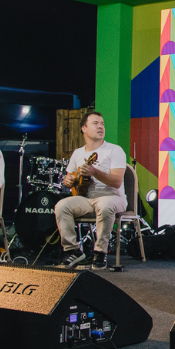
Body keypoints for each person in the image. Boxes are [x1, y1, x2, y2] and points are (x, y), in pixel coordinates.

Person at [54, 111, 128, 270]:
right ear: (84, 128)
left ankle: (100, 252)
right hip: (87, 199)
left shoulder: (114, 150)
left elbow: (117, 182)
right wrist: (69, 181)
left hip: (113, 196)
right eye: (95, 123)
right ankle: (72, 250)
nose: (101, 127)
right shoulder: (78, 153)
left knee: (105, 205)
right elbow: (70, 179)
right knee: (61, 206)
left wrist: (95, 172)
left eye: (102, 124)